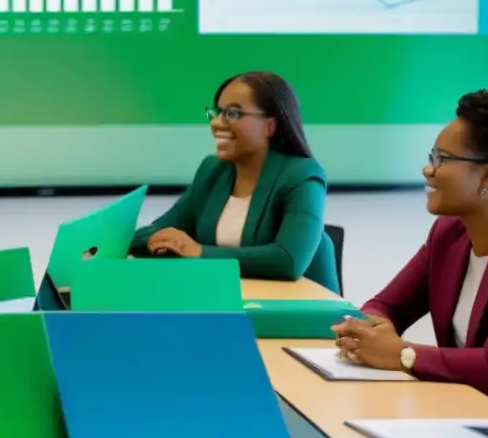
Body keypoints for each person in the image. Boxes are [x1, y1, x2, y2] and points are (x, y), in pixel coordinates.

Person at [333, 89, 488, 410]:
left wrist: (401, 353)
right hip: (468, 411)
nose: (428, 170)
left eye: (442, 159)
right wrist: (372, 330)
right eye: (431, 157)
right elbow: (385, 304)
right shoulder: (450, 233)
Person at [130, 71, 338, 292]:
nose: (217, 123)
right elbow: (159, 230)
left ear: (270, 126)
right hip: (233, 300)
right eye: (217, 113)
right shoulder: (213, 171)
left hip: (302, 313)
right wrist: (161, 241)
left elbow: (288, 261)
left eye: (233, 114)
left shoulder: (302, 174)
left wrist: (198, 252)